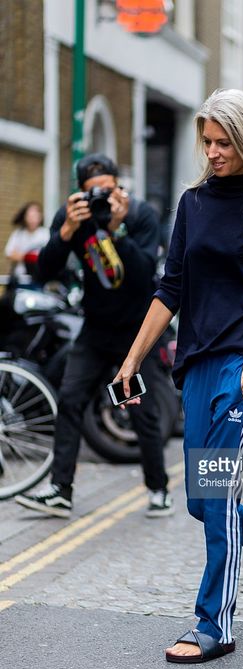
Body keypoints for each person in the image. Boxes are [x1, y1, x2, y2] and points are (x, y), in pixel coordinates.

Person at [114, 89, 243, 663]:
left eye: (224, 142)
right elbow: (170, 287)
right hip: (198, 363)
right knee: (202, 499)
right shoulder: (194, 202)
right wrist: (132, 359)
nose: (213, 151)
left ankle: (215, 624)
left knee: (218, 490)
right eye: (207, 141)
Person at [15, 153, 173, 519]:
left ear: (118, 184)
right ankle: (60, 490)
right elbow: (45, 271)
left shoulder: (139, 215)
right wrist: (66, 232)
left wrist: (117, 228)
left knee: (140, 411)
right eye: (92, 193)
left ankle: (158, 488)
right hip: (95, 329)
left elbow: (144, 274)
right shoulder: (75, 215)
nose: (100, 199)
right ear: (81, 192)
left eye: (107, 190)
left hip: (135, 334)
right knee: (70, 400)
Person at [5, 202, 49, 279]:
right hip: (20, 276)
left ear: (40, 217)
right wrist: (28, 257)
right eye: (30, 216)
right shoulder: (18, 234)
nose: (32, 219)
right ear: (25, 217)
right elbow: (9, 253)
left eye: (35, 216)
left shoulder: (45, 234)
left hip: (40, 276)